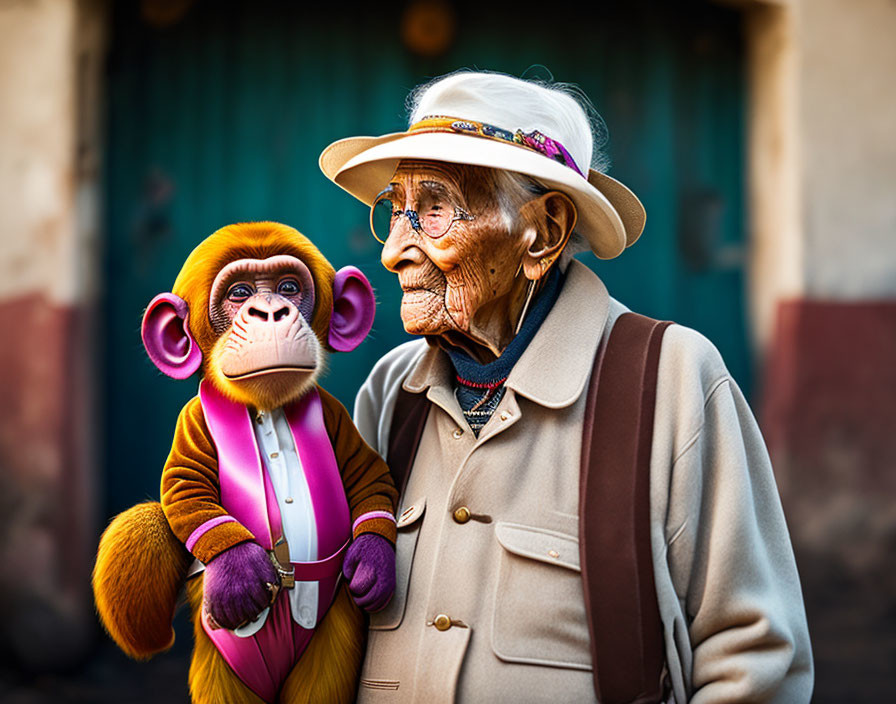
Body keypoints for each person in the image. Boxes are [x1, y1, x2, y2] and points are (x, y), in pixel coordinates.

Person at [319, 71, 813, 703]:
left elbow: (755, 663)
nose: (392, 252)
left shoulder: (670, 380)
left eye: (434, 210)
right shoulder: (391, 394)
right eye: (395, 210)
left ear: (543, 233)